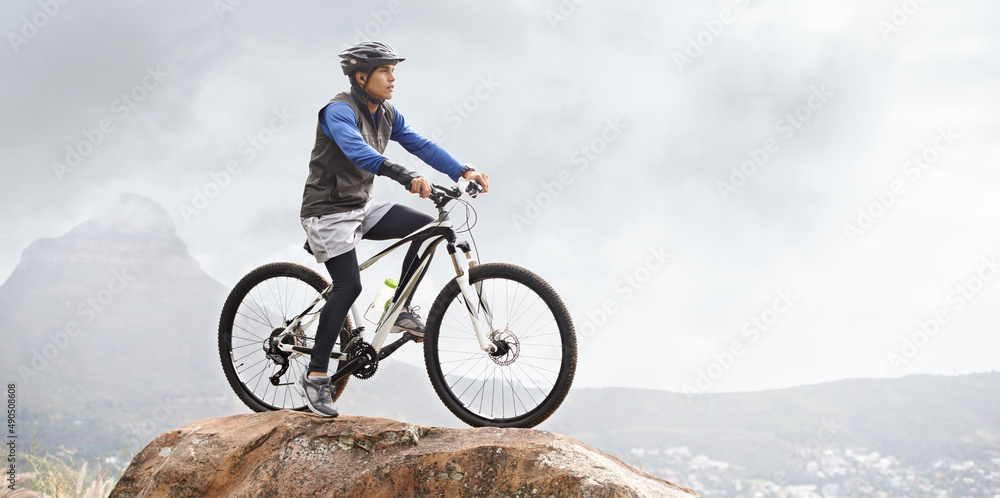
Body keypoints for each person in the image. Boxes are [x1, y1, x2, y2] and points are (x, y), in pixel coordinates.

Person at [297, 41, 490, 417]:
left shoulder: (386, 113)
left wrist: (462, 171)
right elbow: (356, 151)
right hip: (326, 213)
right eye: (385, 71)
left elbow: (421, 145)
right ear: (361, 76)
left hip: (360, 207)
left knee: (428, 229)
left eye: (393, 70)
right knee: (348, 286)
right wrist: (404, 175)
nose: (393, 77)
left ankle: (397, 308)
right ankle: (317, 375)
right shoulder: (337, 111)